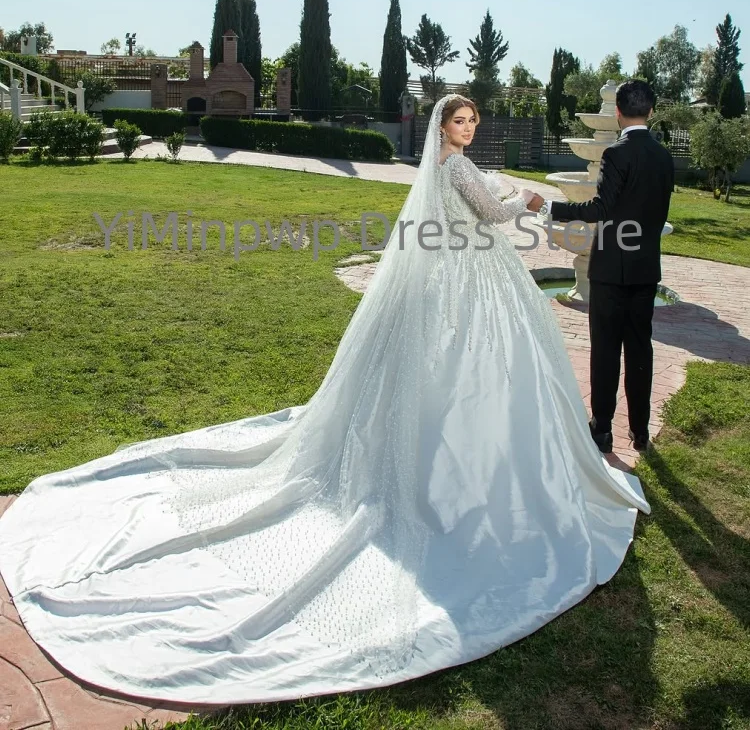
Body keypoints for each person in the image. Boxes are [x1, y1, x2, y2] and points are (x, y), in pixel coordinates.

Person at [0, 94, 650, 706]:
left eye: (474, 121)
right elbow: (492, 214)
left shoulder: (449, 167)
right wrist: (528, 196)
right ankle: (460, 473)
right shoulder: (454, 170)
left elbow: (475, 208)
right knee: (470, 374)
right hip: (471, 271)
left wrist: (505, 188)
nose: (468, 129)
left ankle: (459, 450)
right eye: (460, 122)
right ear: (441, 128)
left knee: (462, 373)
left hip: (468, 271)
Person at [525, 80, 674, 454]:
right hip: (645, 271)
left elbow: (598, 211)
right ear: (651, 112)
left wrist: (548, 207)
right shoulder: (664, 157)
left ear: (618, 113)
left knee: (606, 348)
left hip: (609, 270)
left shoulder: (615, 155)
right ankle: (640, 432)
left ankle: (603, 428)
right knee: (641, 349)